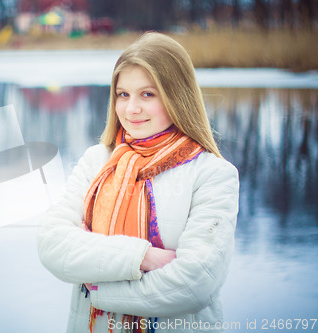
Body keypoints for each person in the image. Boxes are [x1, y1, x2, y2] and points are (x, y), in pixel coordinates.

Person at [37, 32, 239, 333]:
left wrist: (98, 289)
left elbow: (195, 282)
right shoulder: (98, 162)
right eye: (123, 94)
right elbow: (52, 244)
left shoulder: (212, 174)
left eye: (148, 94)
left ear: (176, 95)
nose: (131, 109)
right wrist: (143, 257)